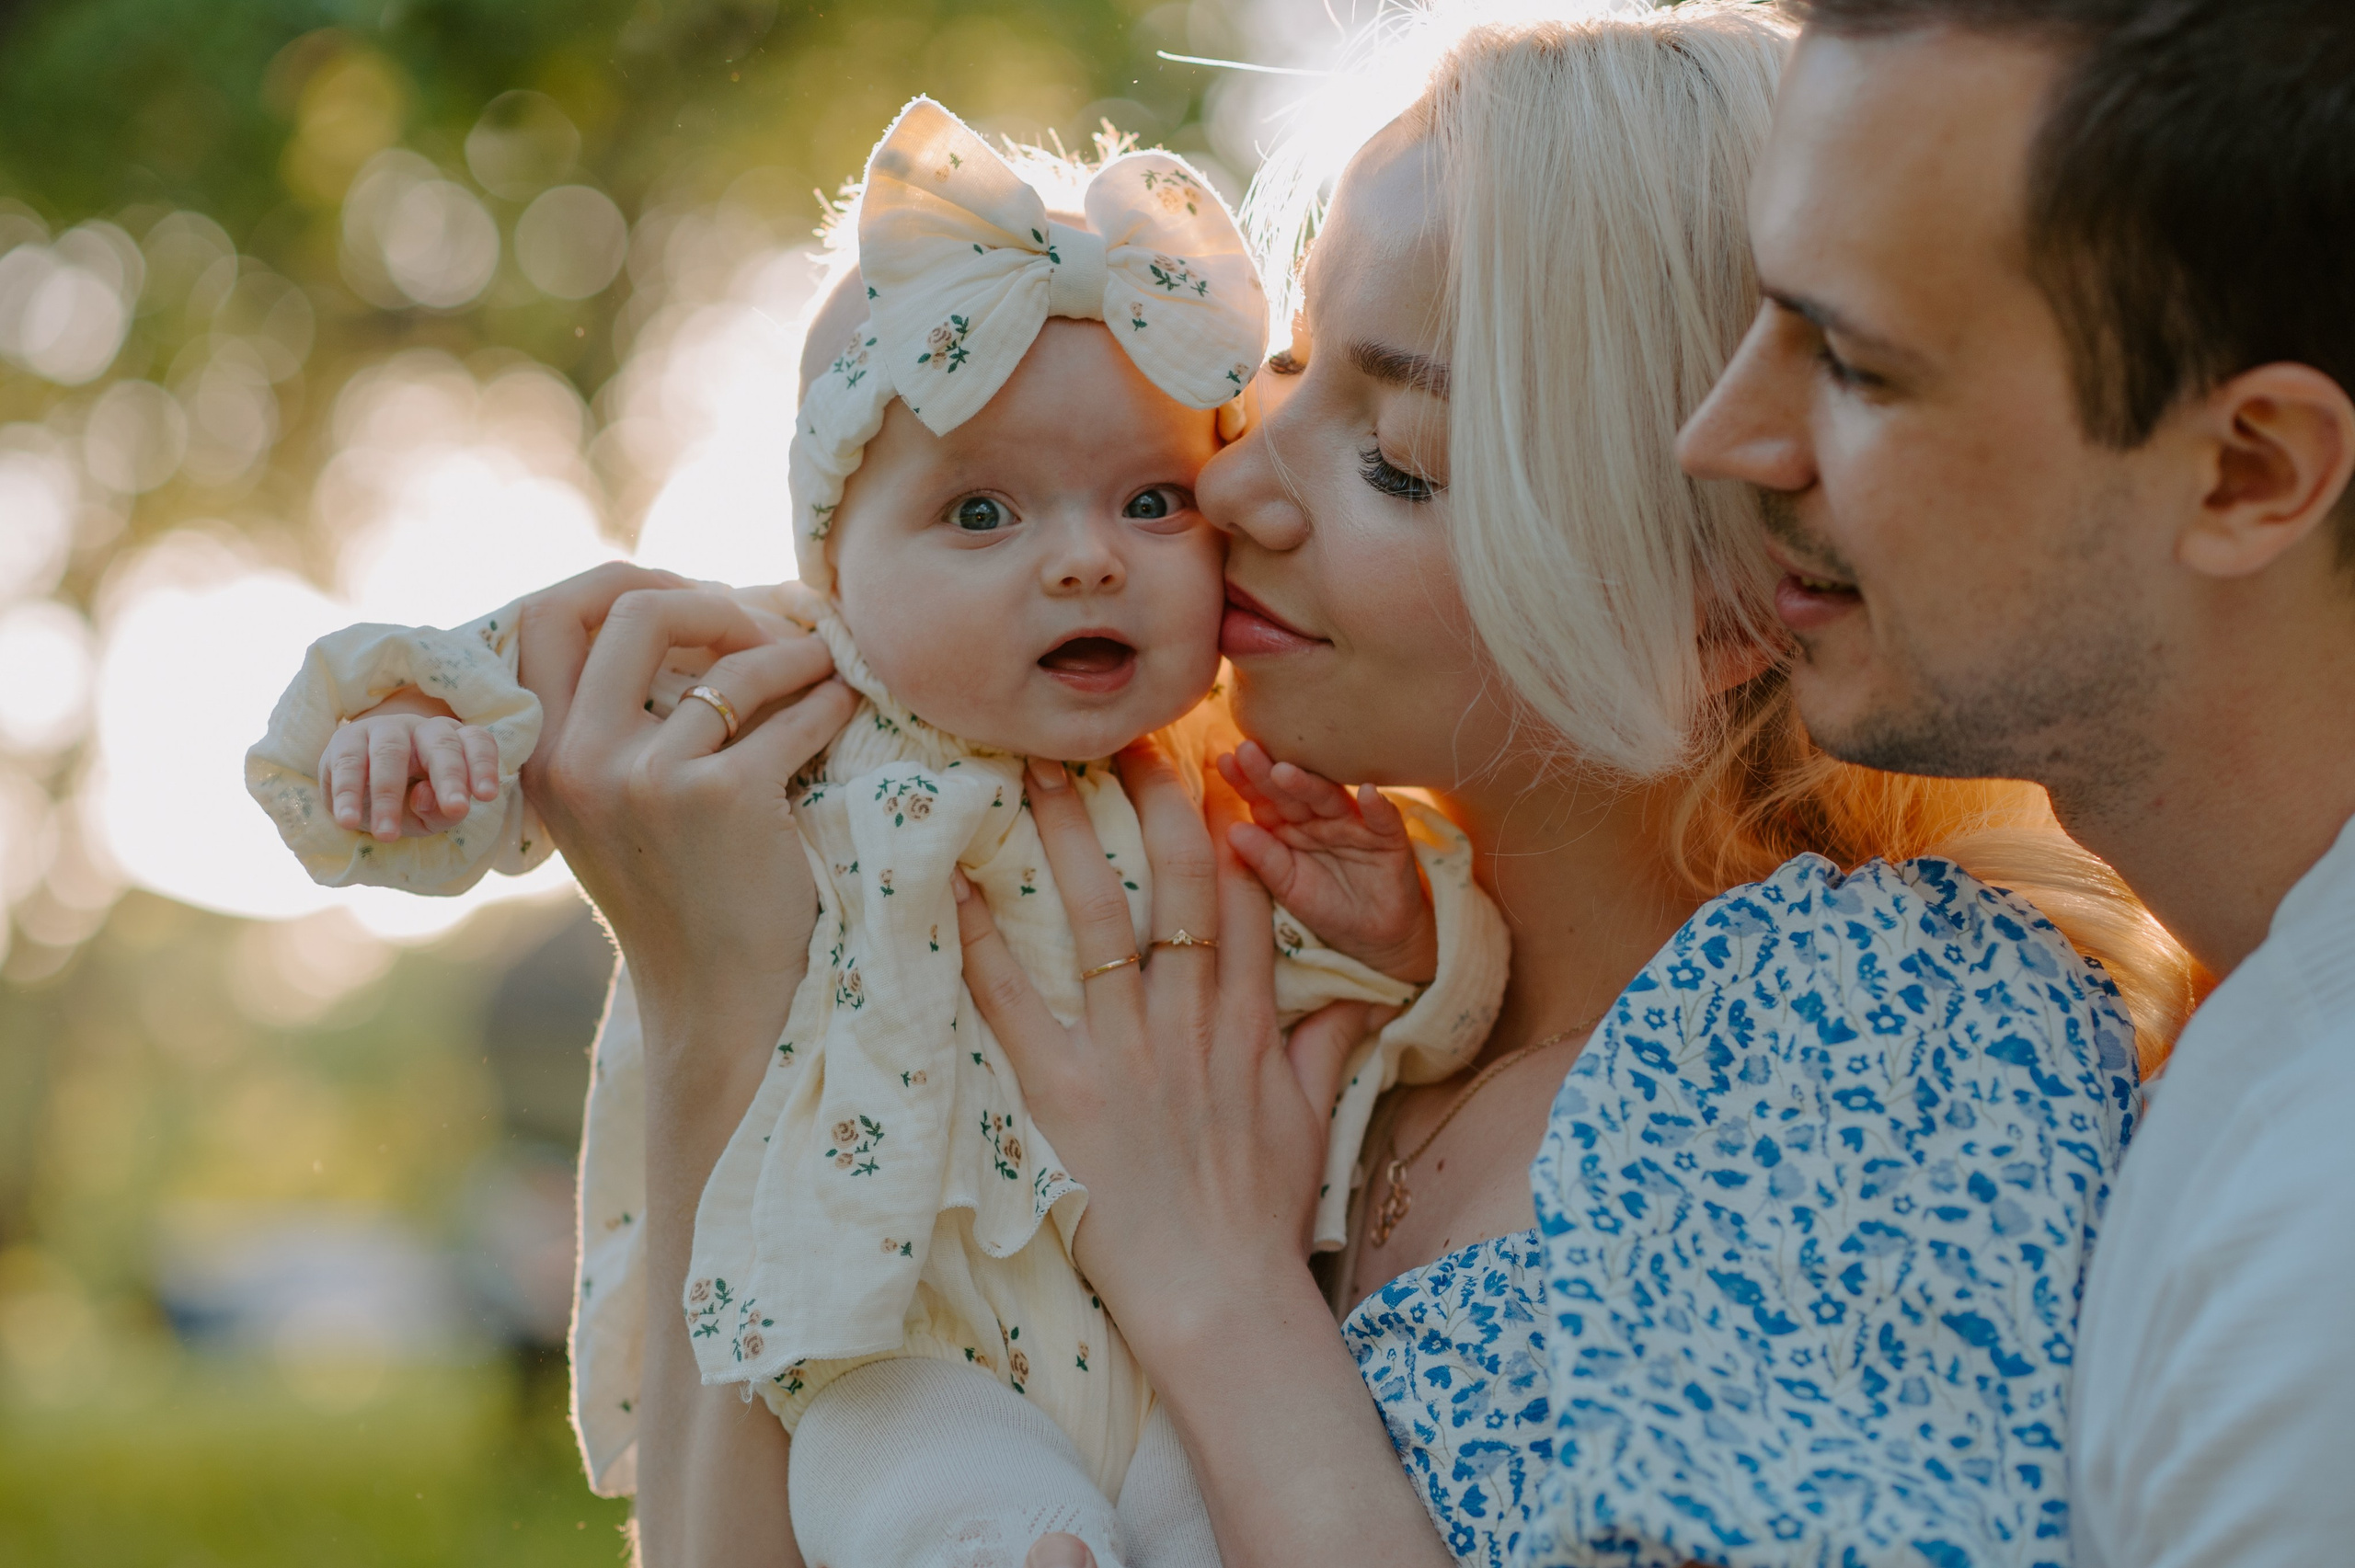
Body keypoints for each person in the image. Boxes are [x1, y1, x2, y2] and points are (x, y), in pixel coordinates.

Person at [250, 4, 2191, 1565]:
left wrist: (1220, 1295)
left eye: (1397, 460)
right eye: (1267, 391)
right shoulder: (1294, 954)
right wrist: (710, 1021)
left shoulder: (1874, 1024)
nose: (1234, 491)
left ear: (1727, 601)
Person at [247, 99, 1514, 1568]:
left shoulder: (1233, 786)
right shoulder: (778, 690)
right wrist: (409, 735)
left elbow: (1433, 998)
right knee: (957, 1509)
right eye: (982, 512)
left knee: (1217, 1513)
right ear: (833, 559)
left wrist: (1416, 933)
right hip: (887, 1341)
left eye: (1153, 499)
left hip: (1174, 1357)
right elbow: (522, 691)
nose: (1087, 555)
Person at [1676, 1, 2355, 1562]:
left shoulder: (2321, 1270)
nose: (1724, 433)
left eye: (1850, 362)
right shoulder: (2248, 1039)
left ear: (2246, 468)